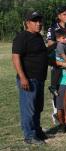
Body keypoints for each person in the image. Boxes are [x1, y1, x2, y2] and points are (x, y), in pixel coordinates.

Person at [12, 11, 49, 144]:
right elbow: (16, 58)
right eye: (35, 21)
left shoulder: (38, 37)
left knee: (38, 107)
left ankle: (37, 130)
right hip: (29, 78)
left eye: (40, 21)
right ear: (28, 23)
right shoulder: (22, 37)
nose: (39, 23)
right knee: (28, 107)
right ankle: (29, 135)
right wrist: (23, 77)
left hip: (40, 78)